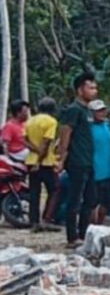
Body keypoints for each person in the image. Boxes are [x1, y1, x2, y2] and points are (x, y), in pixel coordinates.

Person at [57, 72, 99, 247]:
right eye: (91, 88)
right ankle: (72, 237)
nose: (95, 91)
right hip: (76, 161)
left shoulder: (87, 111)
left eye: (95, 88)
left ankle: (83, 233)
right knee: (75, 199)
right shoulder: (74, 109)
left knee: (90, 199)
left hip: (88, 161)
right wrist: (62, 157)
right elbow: (66, 132)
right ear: (80, 90)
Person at [24, 97, 60, 232]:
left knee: (34, 192)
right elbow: (46, 142)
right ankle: (47, 219)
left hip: (30, 160)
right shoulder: (51, 121)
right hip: (45, 162)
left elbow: (25, 140)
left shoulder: (30, 121)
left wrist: (35, 150)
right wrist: (39, 159)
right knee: (55, 189)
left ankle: (33, 222)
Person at [88, 100, 110, 224]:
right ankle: (90, 226)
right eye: (98, 111)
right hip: (95, 171)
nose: (101, 113)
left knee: (107, 201)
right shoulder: (88, 128)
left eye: (103, 110)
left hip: (109, 171)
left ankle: (99, 224)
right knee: (93, 202)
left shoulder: (106, 126)